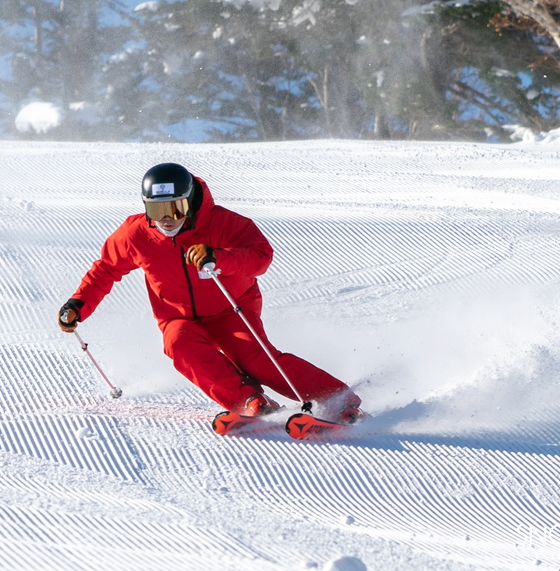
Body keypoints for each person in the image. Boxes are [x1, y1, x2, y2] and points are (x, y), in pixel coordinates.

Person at [58, 162, 361, 435]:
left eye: (174, 208)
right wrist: (78, 304)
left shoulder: (223, 223)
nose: (166, 219)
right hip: (178, 316)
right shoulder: (136, 233)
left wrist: (219, 257)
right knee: (178, 343)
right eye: (156, 210)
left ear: (189, 201)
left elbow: (260, 258)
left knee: (254, 358)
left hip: (232, 308)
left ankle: (339, 400)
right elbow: (106, 269)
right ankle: (251, 402)